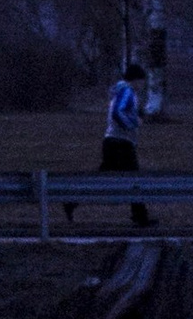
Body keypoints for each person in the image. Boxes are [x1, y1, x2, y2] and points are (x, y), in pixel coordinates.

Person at [64, 59, 153, 228]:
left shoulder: (122, 91)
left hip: (113, 143)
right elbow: (118, 112)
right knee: (134, 178)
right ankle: (141, 218)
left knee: (102, 180)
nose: (143, 84)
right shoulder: (127, 91)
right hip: (121, 144)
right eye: (142, 80)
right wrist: (133, 124)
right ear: (135, 79)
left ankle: (71, 201)